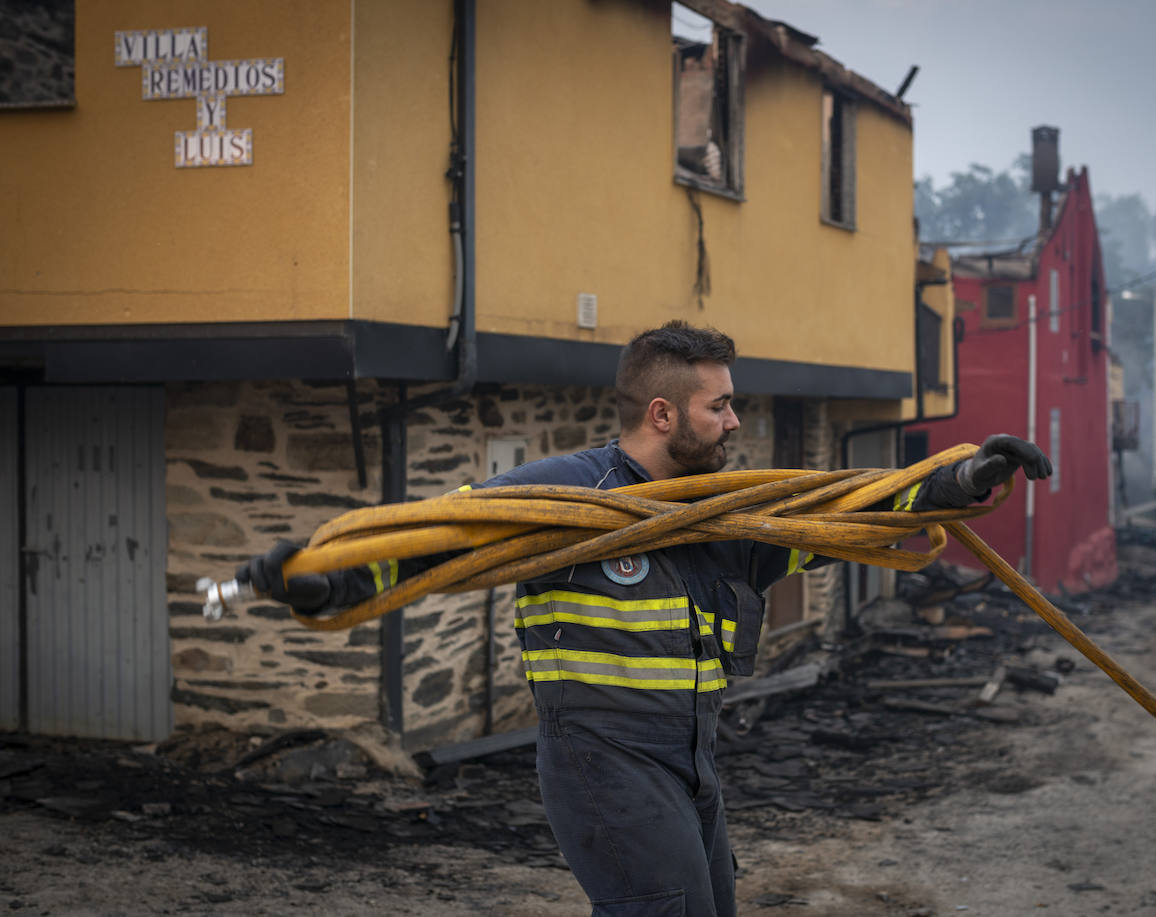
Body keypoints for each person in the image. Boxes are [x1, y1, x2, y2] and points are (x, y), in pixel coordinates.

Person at [241, 320, 1052, 916]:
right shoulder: (565, 497)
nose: (736, 423)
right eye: (721, 407)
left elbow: (840, 516)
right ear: (663, 414)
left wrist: (961, 478)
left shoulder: (731, 512)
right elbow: (432, 543)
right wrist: (324, 579)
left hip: (693, 758)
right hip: (604, 758)